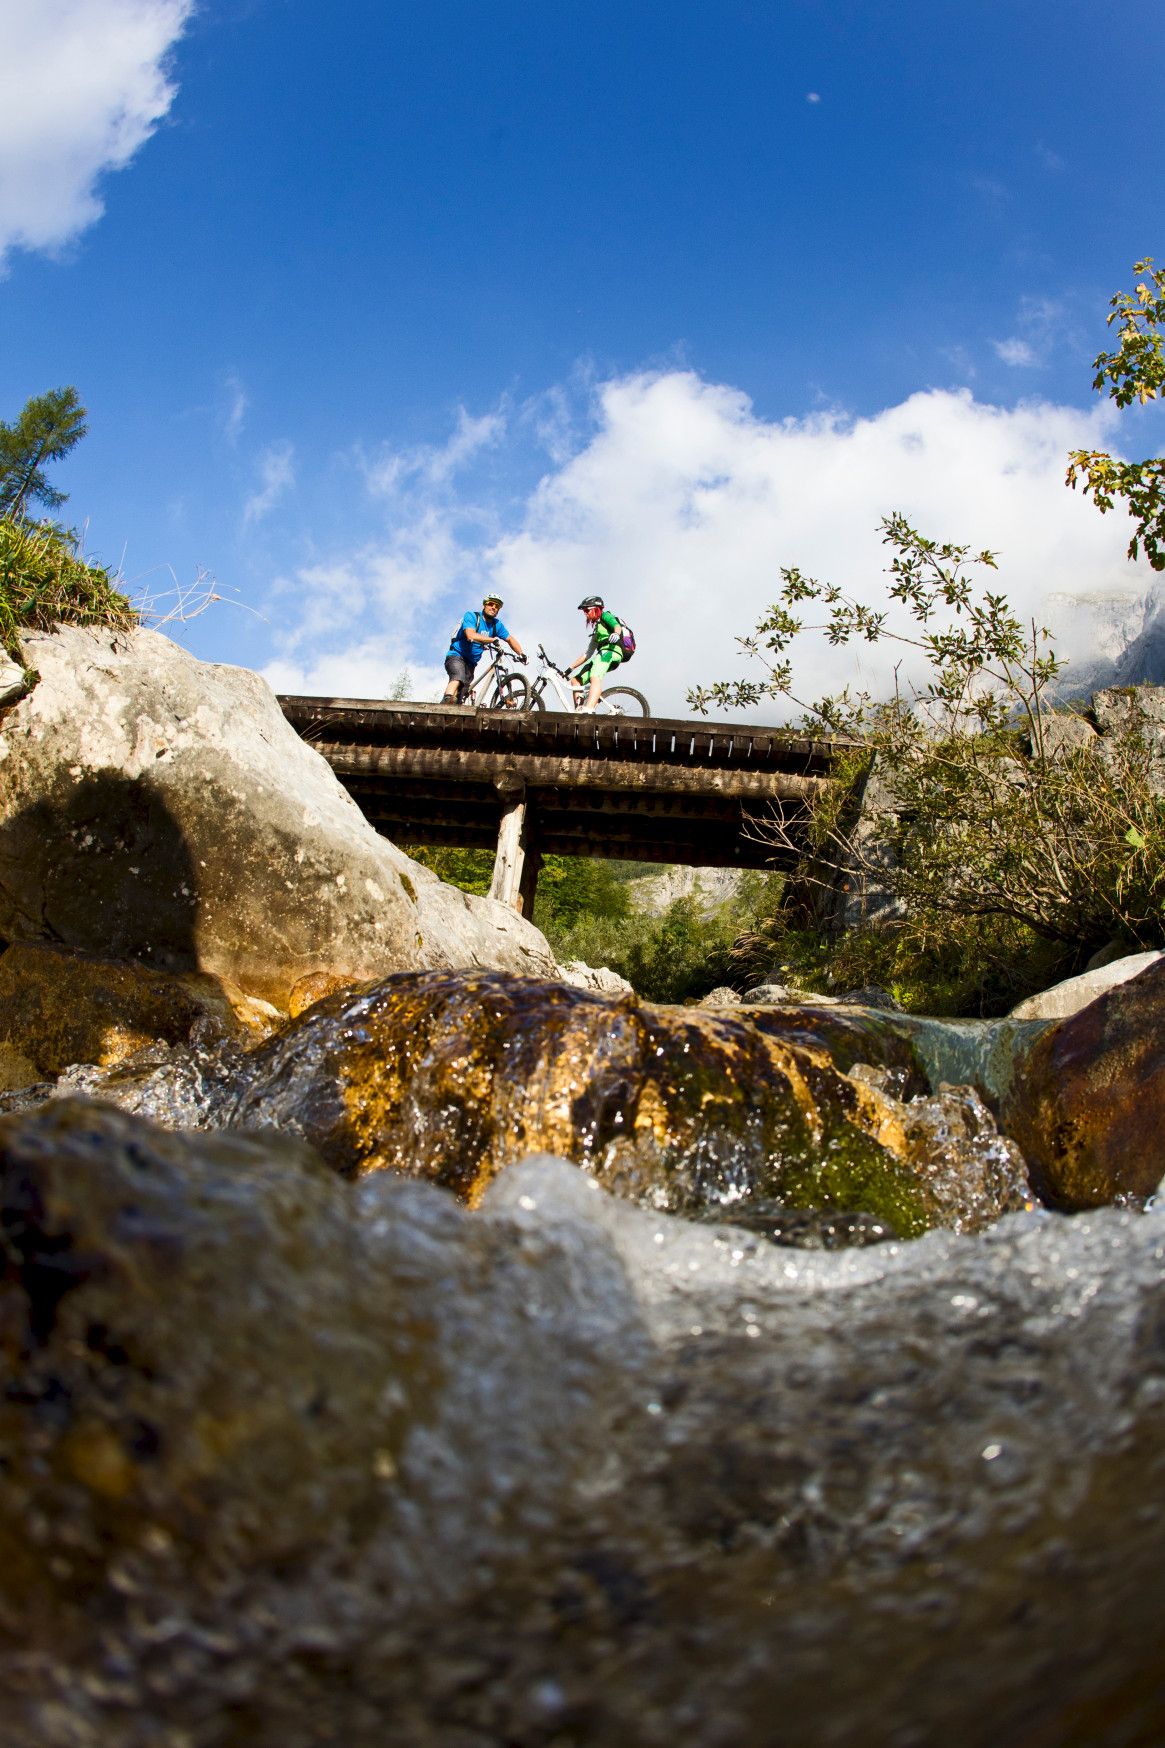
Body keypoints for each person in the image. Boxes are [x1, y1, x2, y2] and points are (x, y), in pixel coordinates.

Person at [443, 594, 525, 704]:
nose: (494, 607)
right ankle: (446, 702)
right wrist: (491, 640)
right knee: (458, 677)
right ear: (484, 605)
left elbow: (510, 639)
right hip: (457, 655)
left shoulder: (496, 625)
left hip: (471, 663)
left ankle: (454, 709)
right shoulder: (472, 616)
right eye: (491, 604)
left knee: (461, 693)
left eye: (497, 606)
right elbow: (470, 635)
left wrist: (521, 654)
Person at [570, 595, 625, 710]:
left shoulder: (606, 616)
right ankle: (579, 711)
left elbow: (616, 626)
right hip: (601, 655)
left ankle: (589, 709)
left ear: (596, 608)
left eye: (587, 610)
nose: (585, 613)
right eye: (584, 611)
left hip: (610, 652)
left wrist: (616, 633)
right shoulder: (598, 630)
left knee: (595, 676)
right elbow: (587, 654)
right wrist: (569, 669)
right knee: (576, 681)